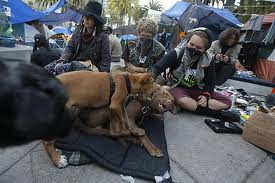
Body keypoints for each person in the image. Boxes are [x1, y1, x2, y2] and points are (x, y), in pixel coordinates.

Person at [149, 28, 232, 117]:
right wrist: (152, 84)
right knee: (188, 103)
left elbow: (211, 82)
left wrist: (206, 96)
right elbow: (156, 68)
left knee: (227, 102)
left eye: (199, 48)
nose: (193, 49)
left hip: (196, 90)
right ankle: (216, 114)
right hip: (176, 87)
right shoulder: (176, 53)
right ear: (187, 42)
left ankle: (187, 106)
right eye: (191, 44)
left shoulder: (208, 60)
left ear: (205, 49)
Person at [45, 1, 111, 74]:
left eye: (90, 17)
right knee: (48, 69)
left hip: (90, 67)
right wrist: (62, 61)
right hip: (74, 63)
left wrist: (104, 76)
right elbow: (69, 48)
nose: (86, 19)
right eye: (85, 15)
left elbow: (106, 58)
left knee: (61, 68)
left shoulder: (103, 36)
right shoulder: (78, 31)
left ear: (96, 20)